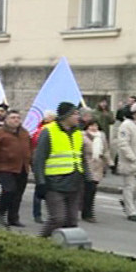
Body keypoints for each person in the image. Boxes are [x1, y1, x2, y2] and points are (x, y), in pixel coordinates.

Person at [33, 102, 86, 237]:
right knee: (58, 219)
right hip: (54, 183)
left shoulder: (78, 133)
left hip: (74, 182)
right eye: (75, 114)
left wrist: (87, 177)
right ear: (65, 116)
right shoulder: (48, 131)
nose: (77, 117)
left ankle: (65, 249)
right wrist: (40, 182)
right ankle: (39, 244)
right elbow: (39, 159)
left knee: (72, 221)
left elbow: (81, 157)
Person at [0, 109, 31, 227]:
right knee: (9, 190)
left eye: (18, 118)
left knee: (18, 194)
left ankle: (13, 218)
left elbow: (29, 148)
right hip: (5, 167)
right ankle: (1, 213)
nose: (16, 120)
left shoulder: (24, 133)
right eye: (13, 118)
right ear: (6, 120)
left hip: (22, 168)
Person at [81, 121, 112, 222]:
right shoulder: (82, 136)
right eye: (91, 125)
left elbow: (106, 150)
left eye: (96, 126)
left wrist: (109, 162)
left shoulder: (101, 136)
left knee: (92, 190)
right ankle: (87, 213)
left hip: (98, 166)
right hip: (87, 164)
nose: (94, 128)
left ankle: (87, 210)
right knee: (89, 189)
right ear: (87, 126)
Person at [115, 101, 136, 222]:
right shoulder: (126, 125)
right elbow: (123, 143)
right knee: (130, 186)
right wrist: (132, 157)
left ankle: (126, 201)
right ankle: (131, 212)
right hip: (130, 162)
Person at [30, 110, 56, 223]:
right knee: (40, 188)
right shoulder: (42, 130)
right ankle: (37, 214)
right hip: (41, 162)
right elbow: (36, 144)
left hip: (50, 162)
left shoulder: (41, 129)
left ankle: (49, 213)